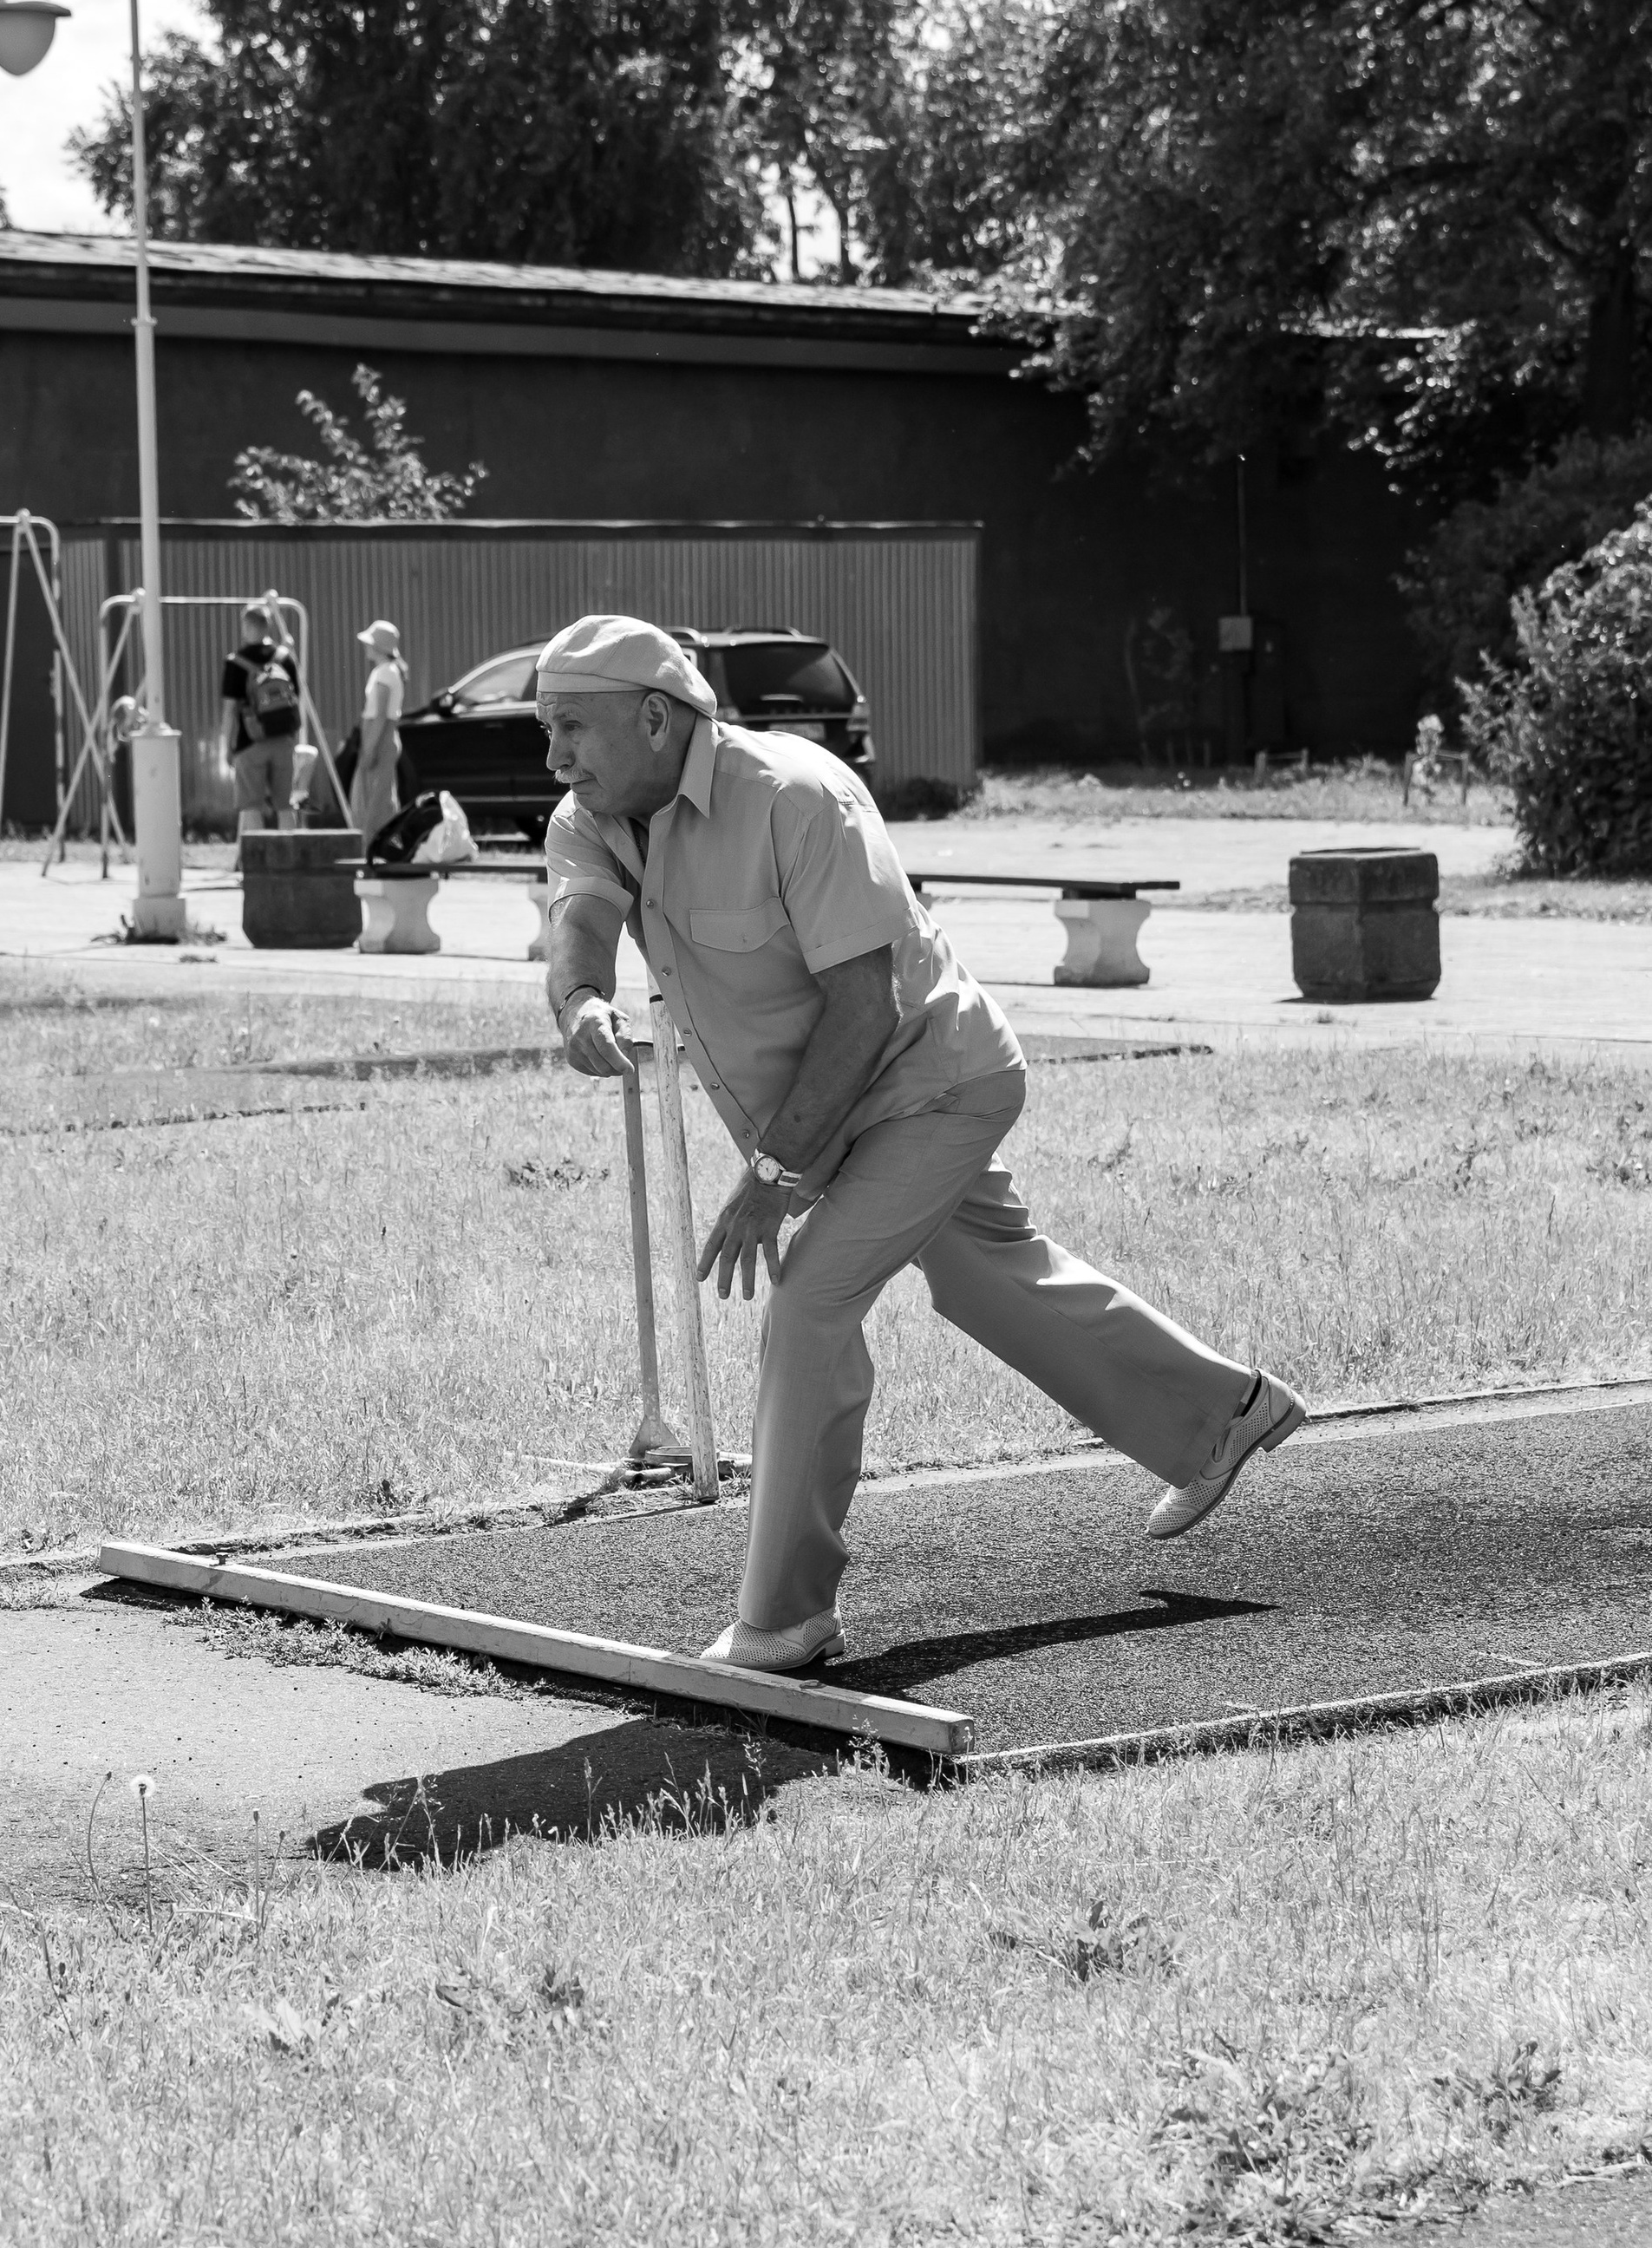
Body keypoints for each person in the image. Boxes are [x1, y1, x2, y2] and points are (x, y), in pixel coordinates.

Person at [539, 612, 1306, 1674]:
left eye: (572, 726)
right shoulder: (593, 812)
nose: (555, 755)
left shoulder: (797, 795)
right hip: (837, 1109)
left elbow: (864, 1007)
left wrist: (772, 1176)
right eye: (546, 730)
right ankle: (1225, 1415)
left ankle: (785, 1615)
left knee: (810, 1301)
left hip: (933, 1084)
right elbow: (580, 920)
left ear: (658, 719)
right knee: (990, 1277)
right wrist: (580, 1000)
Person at [218, 597, 303, 833]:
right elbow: (295, 700)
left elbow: (230, 710)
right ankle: (289, 853)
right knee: (285, 805)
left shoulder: (235, 663)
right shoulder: (285, 658)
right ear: (268, 627)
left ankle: (258, 856)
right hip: (283, 740)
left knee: (251, 807)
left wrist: (228, 747)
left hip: (250, 743)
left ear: (246, 626)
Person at [350, 617, 406, 847]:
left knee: (373, 802)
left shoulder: (385, 673)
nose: (366, 646)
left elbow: (381, 715)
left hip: (380, 739)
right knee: (380, 799)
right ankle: (384, 848)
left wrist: (370, 749)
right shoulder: (387, 671)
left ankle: (371, 849)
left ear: (378, 646)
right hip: (382, 738)